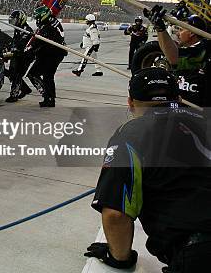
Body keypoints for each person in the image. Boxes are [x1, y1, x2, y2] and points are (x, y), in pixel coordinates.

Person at [86, 67, 211, 272]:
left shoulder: (131, 135)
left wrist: (120, 258)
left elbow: (116, 215)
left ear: (131, 103)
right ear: (178, 98)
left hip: (199, 252)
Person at [145, 5, 210, 107]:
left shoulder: (205, 48)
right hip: (185, 103)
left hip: (199, 110)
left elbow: (174, 58)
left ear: (192, 33)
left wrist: (161, 28)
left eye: (181, 29)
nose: (178, 33)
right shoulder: (194, 48)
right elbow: (167, 51)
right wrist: (158, 27)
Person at [26, 6, 68, 107]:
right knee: (46, 76)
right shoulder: (51, 21)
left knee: (37, 74)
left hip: (53, 53)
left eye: (38, 17)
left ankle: (48, 97)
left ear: (44, 16)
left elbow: (40, 41)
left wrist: (30, 50)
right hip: (53, 52)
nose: (37, 20)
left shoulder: (48, 26)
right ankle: (49, 98)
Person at [5, 10, 34, 103]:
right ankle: (25, 89)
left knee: (17, 75)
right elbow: (15, 42)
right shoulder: (18, 29)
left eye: (14, 20)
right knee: (12, 74)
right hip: (18, 55)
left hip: (25, 56)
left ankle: (14, 95)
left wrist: (14, 49)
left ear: (20, 19)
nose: (13, 22)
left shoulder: (26, 30)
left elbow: (21, 44)